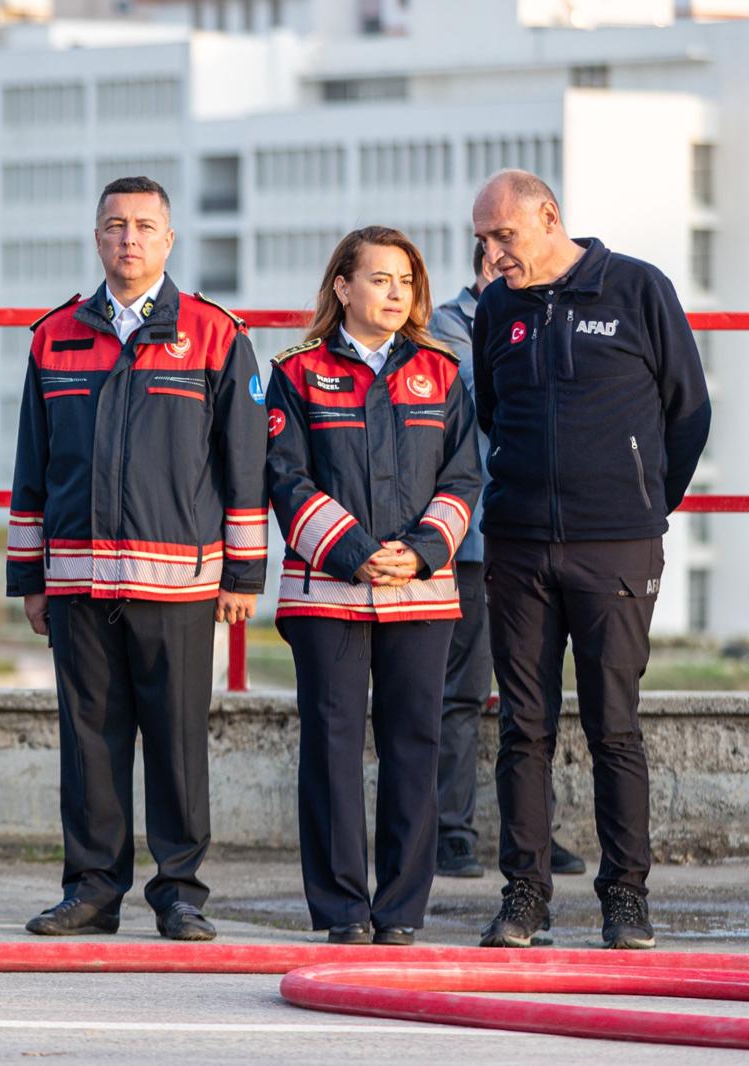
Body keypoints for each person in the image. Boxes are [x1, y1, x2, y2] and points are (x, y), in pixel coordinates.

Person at [6, 176, 267, 941]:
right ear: (97, 238)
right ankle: (90, 889)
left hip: (179, 580)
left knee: (178, 738)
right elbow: (33, 461)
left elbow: (243, 462)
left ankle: (181, 891)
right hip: (80, 579)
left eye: (145, 226)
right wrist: (30, 576)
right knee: (89, 738)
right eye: (115, 226)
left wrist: (244, 574)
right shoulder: (54, 336)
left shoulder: (217, 335)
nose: (130, 239)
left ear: (169, 240)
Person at [471, 171, 710, 950]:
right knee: (523, 728)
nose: (493, 253)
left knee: (615, 725)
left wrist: (640, 503)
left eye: (503, 235)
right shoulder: (496, 309)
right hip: (517, 544)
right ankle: (526, 894)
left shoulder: (638, 287)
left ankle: (625, 898)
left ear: (547, 217)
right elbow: (491, 415)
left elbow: (689, 412)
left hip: (617, 545)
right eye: (483, 240)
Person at [265, 226, 480, 946]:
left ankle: (399, 912)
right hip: (327, 593)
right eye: (381, 278)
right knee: (330, 745)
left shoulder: (443, 372)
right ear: (343, 288)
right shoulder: (294, 373)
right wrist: (354, 551)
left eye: (407, 281)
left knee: (413, 744)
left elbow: (463, 478)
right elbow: (285, 477)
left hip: (421, 593)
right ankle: (341, 910)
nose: (396, 293)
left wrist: (419, 553)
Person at [430, 243, 587, 882]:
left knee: (535, 696)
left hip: (533, 532)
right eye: (499, 261)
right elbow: (487, 386)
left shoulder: (548, 316)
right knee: (462, 692)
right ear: (483, 265)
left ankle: (537, 838)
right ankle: (452, 833)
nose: (510, 270)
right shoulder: (447, 324)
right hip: (469, 538)